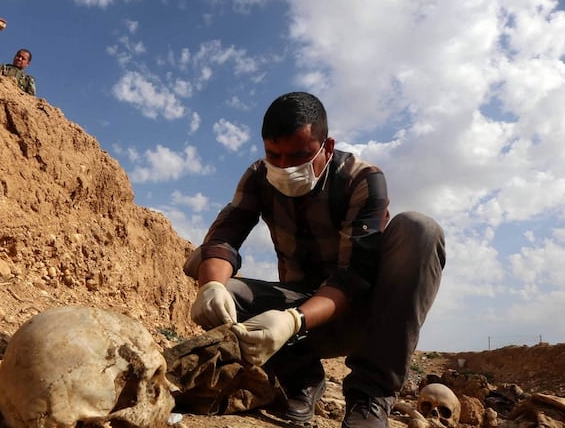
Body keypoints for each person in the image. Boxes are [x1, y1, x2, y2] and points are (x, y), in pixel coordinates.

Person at [184, 91, 446, 428]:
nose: (284, 167)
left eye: (298, 156)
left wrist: (292, 320)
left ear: (328, 147)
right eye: (273, 155)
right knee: (206, 271)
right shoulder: (258, 177)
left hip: (362, 314)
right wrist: (212, 287)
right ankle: (301, 377)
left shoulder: (361, 179)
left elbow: (353, 278)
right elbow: (223, 237)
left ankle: (370, 396)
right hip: (302, 317)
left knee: (419, 229)